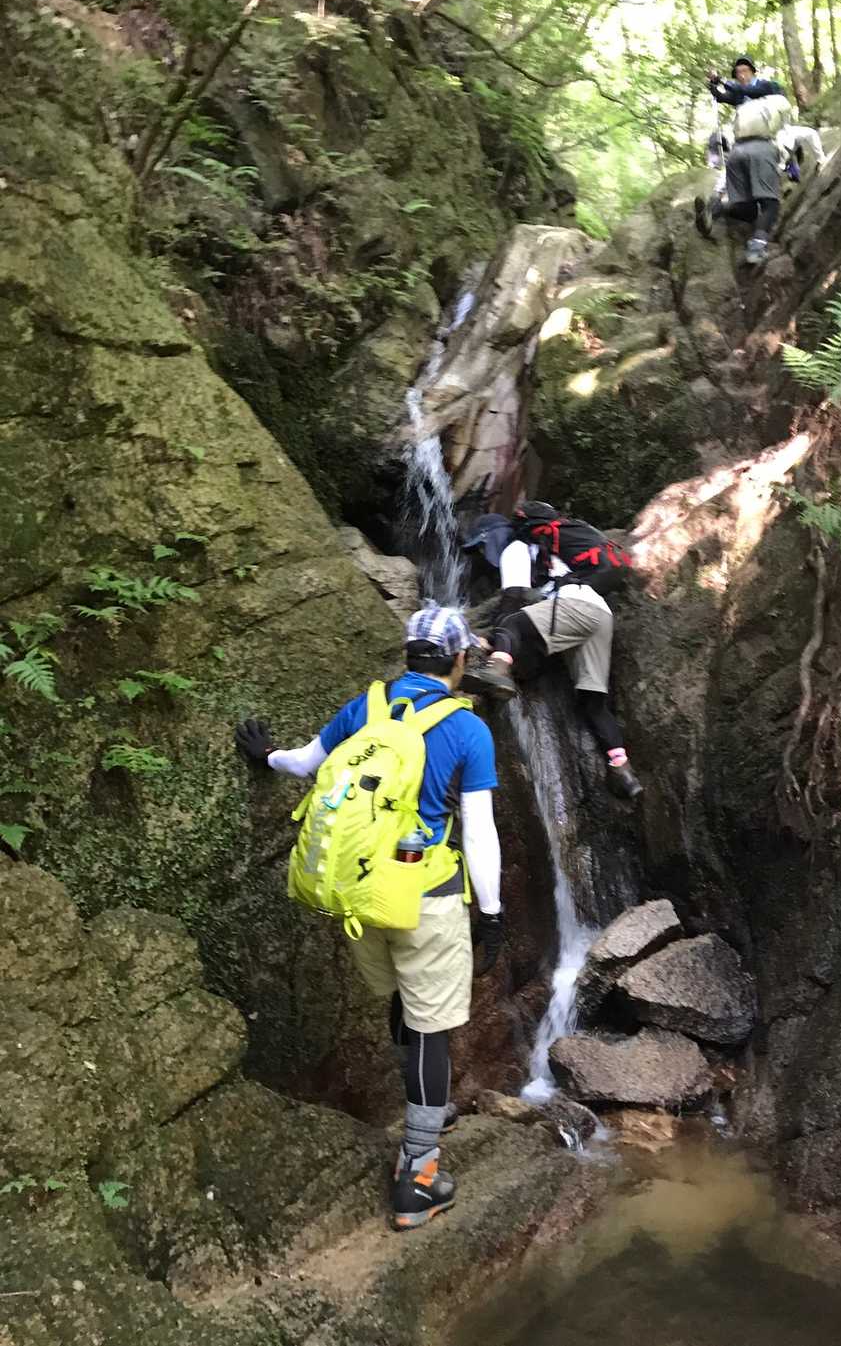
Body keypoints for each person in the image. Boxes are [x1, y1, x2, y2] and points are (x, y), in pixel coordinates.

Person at [234, 605, 503, 1231]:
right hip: (426, 895)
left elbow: (305, 763)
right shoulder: (467, 729)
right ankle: (420, 1175)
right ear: (460, 660)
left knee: (406, 1002)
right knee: (432, 1026)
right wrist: (492, 915)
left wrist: (265, 755)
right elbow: (480, 833)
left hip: (361, 896)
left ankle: (426, 1111)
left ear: (409, 655)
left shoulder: (367, 708)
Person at [461, 505, 643, 801]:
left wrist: (494, 642)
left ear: (492, 537)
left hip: (575, 607)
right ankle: (622, 769)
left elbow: (512, 599)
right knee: (593, 701)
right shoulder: (547, 552)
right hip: (600, 615)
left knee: (510, 622)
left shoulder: (516, 548)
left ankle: (496, 671)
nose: (483, 554)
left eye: (482, 546)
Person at [695, 55, 790, 266]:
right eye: (738, 73)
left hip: (738, 152)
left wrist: (722, 80)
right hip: (758, 147)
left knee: (747, 210)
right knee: (770, 202)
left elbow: (749, 91)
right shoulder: (742, 93)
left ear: (754, 72)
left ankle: (715, 209)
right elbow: (724, 97)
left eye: (745, 71)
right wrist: (714, 88)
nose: (741, 75)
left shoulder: (767, 86)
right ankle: (756, 248)